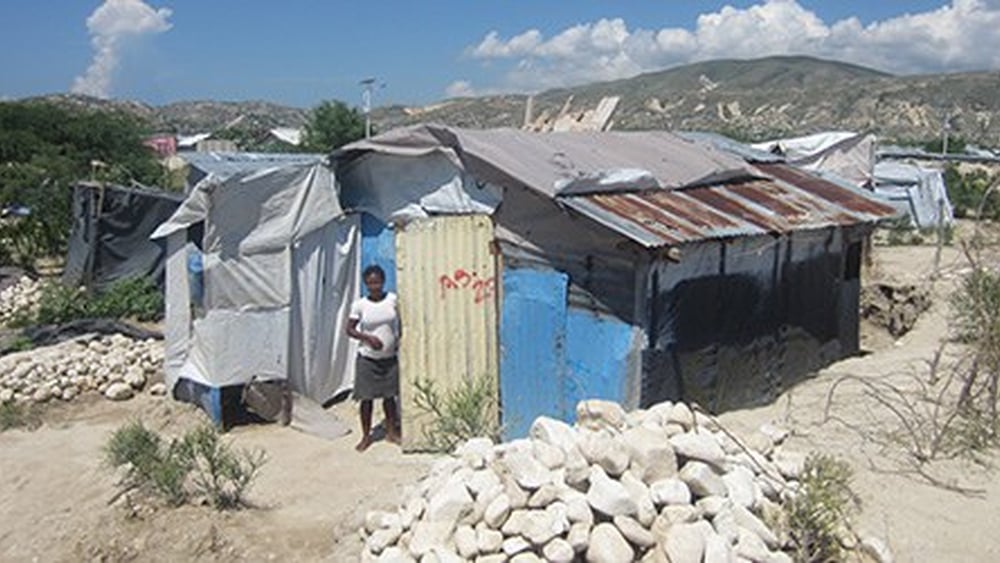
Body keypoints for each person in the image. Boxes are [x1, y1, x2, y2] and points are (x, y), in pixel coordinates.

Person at [346, 265, 401, 451]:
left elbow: (402, 321)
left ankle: (391, 432)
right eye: (370, 283)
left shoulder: (393, 300)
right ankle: (366, 436)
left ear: (383, 281)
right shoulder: (360, 305)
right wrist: (368, 338)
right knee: (366, 399)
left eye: (377, 282)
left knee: (389, 397)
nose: (374, 286)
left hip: (389, 358)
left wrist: (398, 340)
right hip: (367, 359)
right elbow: (350, 329)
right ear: (365, 284)